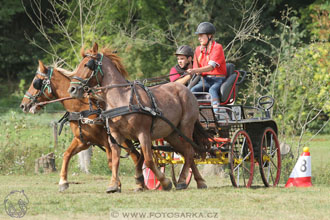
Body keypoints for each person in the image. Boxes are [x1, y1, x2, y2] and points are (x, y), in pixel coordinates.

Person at [187, 22, 227, 112]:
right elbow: (197, 70)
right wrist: (194, 71)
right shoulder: (198, 50)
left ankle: (217, 113)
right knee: (192, 91)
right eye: (198, 36)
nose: (199, 38)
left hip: (217, 80)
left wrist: (194, 70)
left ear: (209, 36)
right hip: (205, 80)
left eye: (201, 36)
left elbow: (211, 67)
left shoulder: (217, 47)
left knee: (213, 90)